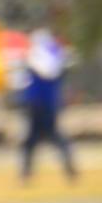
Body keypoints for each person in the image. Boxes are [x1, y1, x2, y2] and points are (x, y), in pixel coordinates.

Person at [19, 28, 78, 183]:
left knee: (51, 137)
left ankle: (68, 170)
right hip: (40, 104)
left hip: (44, 104)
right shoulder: (53, 56)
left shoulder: (46, 56)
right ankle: (27, 173)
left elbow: (47, 70)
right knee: (34, 140)